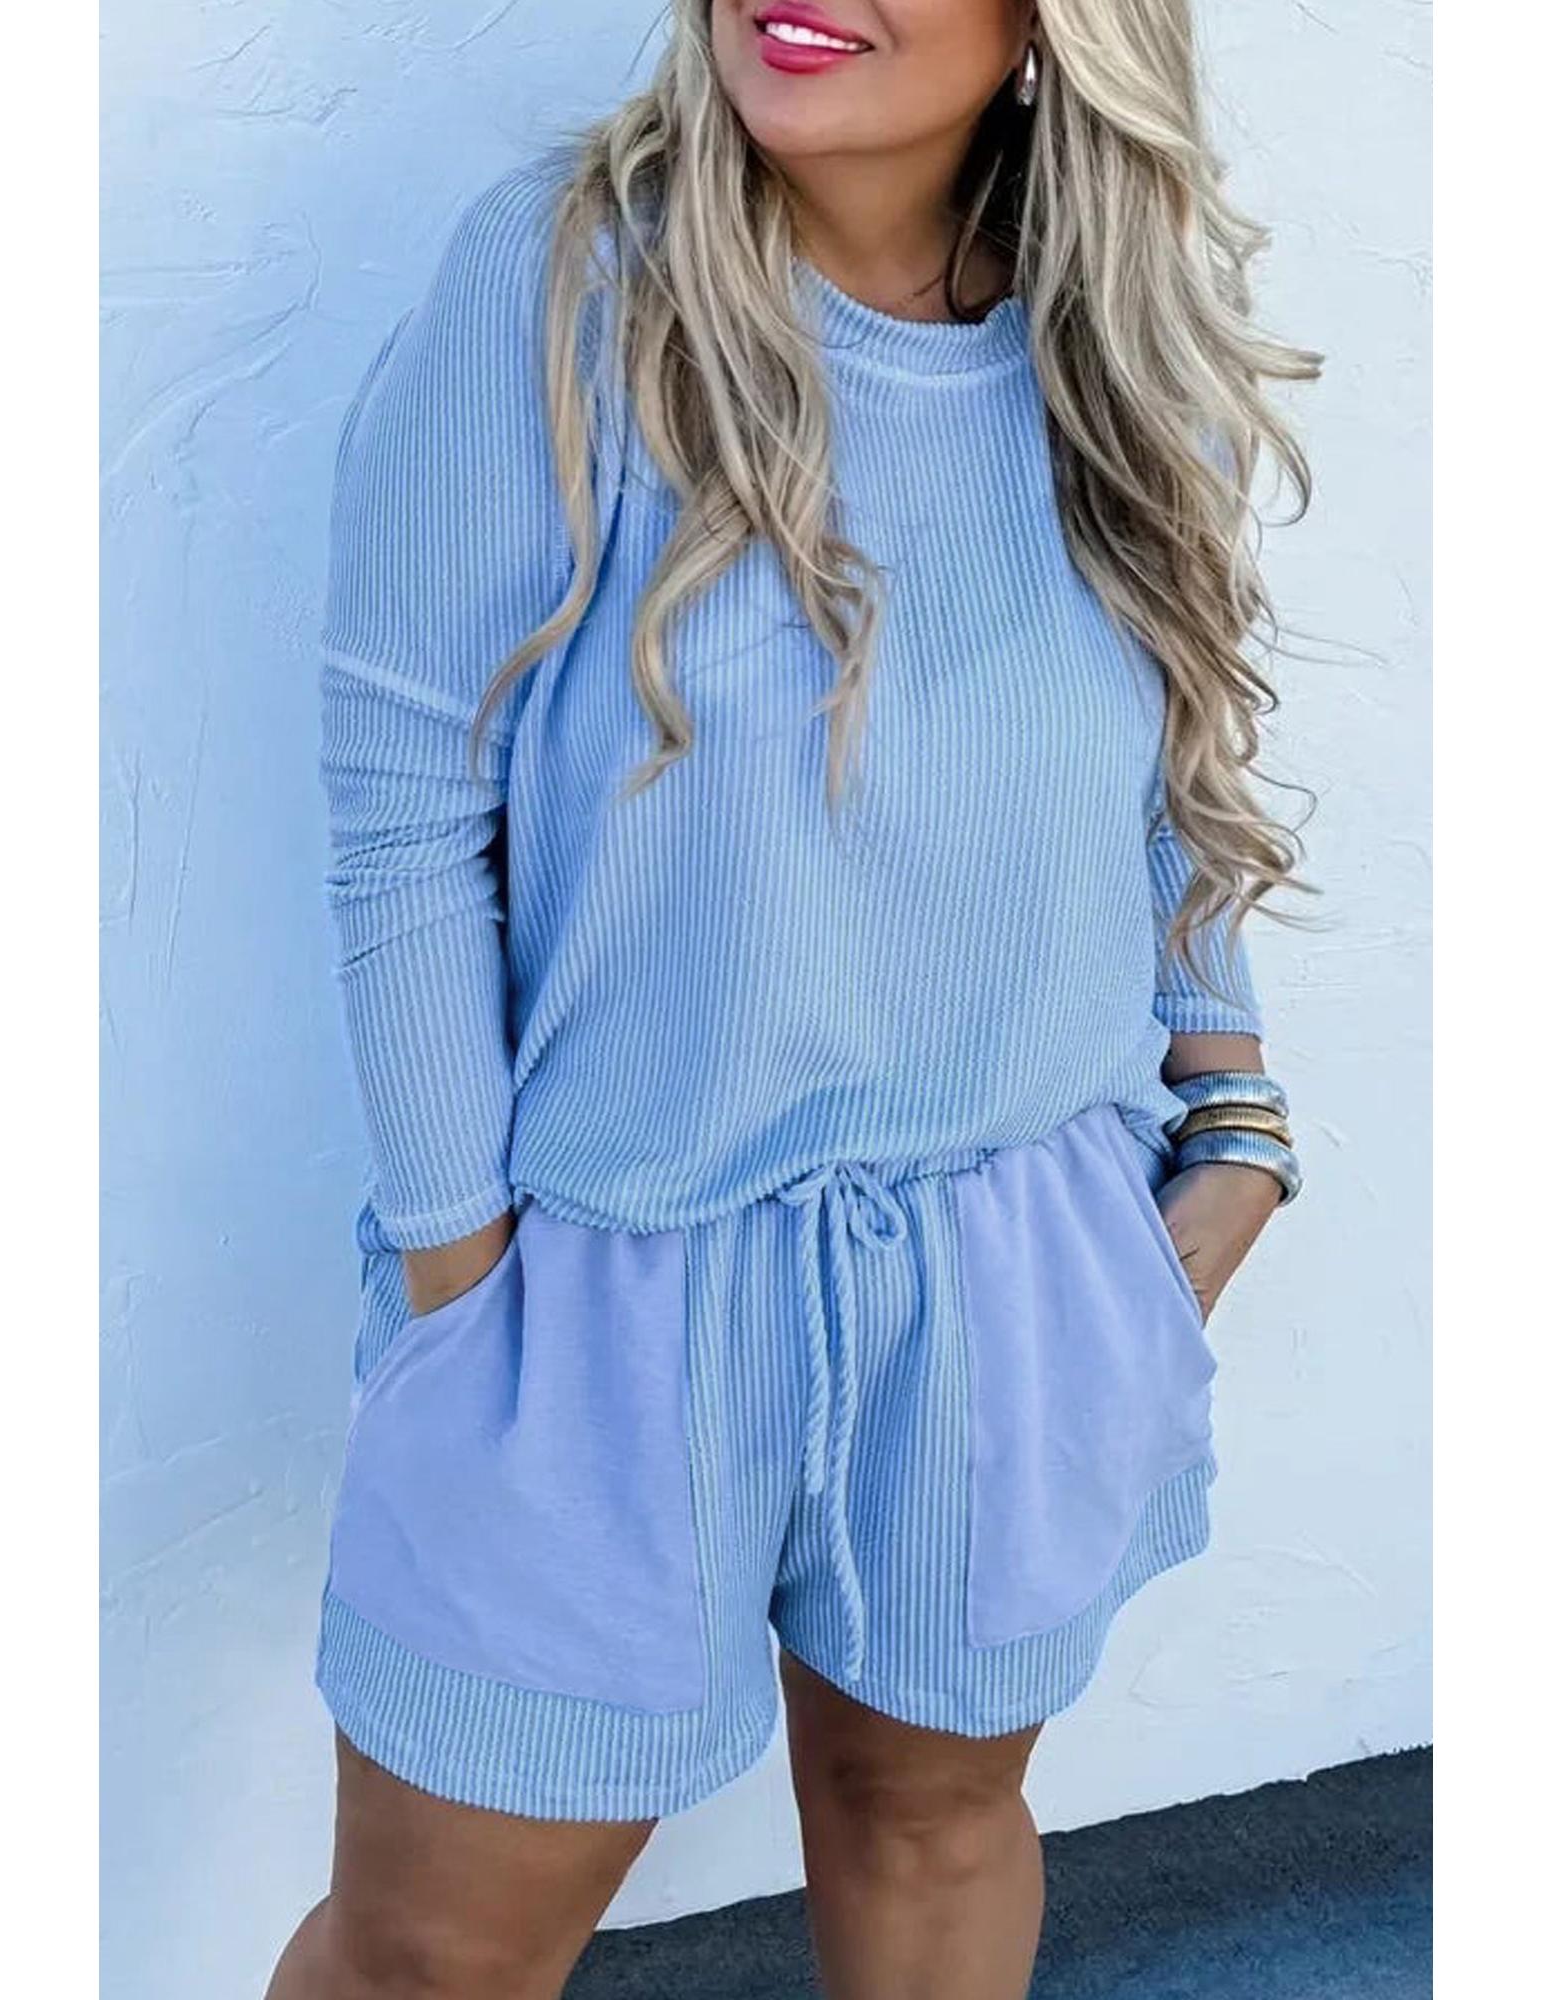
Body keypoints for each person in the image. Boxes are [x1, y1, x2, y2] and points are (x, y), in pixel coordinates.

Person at [266, 3, 1318, 1995]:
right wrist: (462, 1285)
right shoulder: (570, 282)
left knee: (929, 1825)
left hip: (1013, 1266)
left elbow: (1158, 773)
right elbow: (403, 807)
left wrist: (1233, 1116)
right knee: (432, 1951)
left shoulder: (1113, 330)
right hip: (605, 1282)